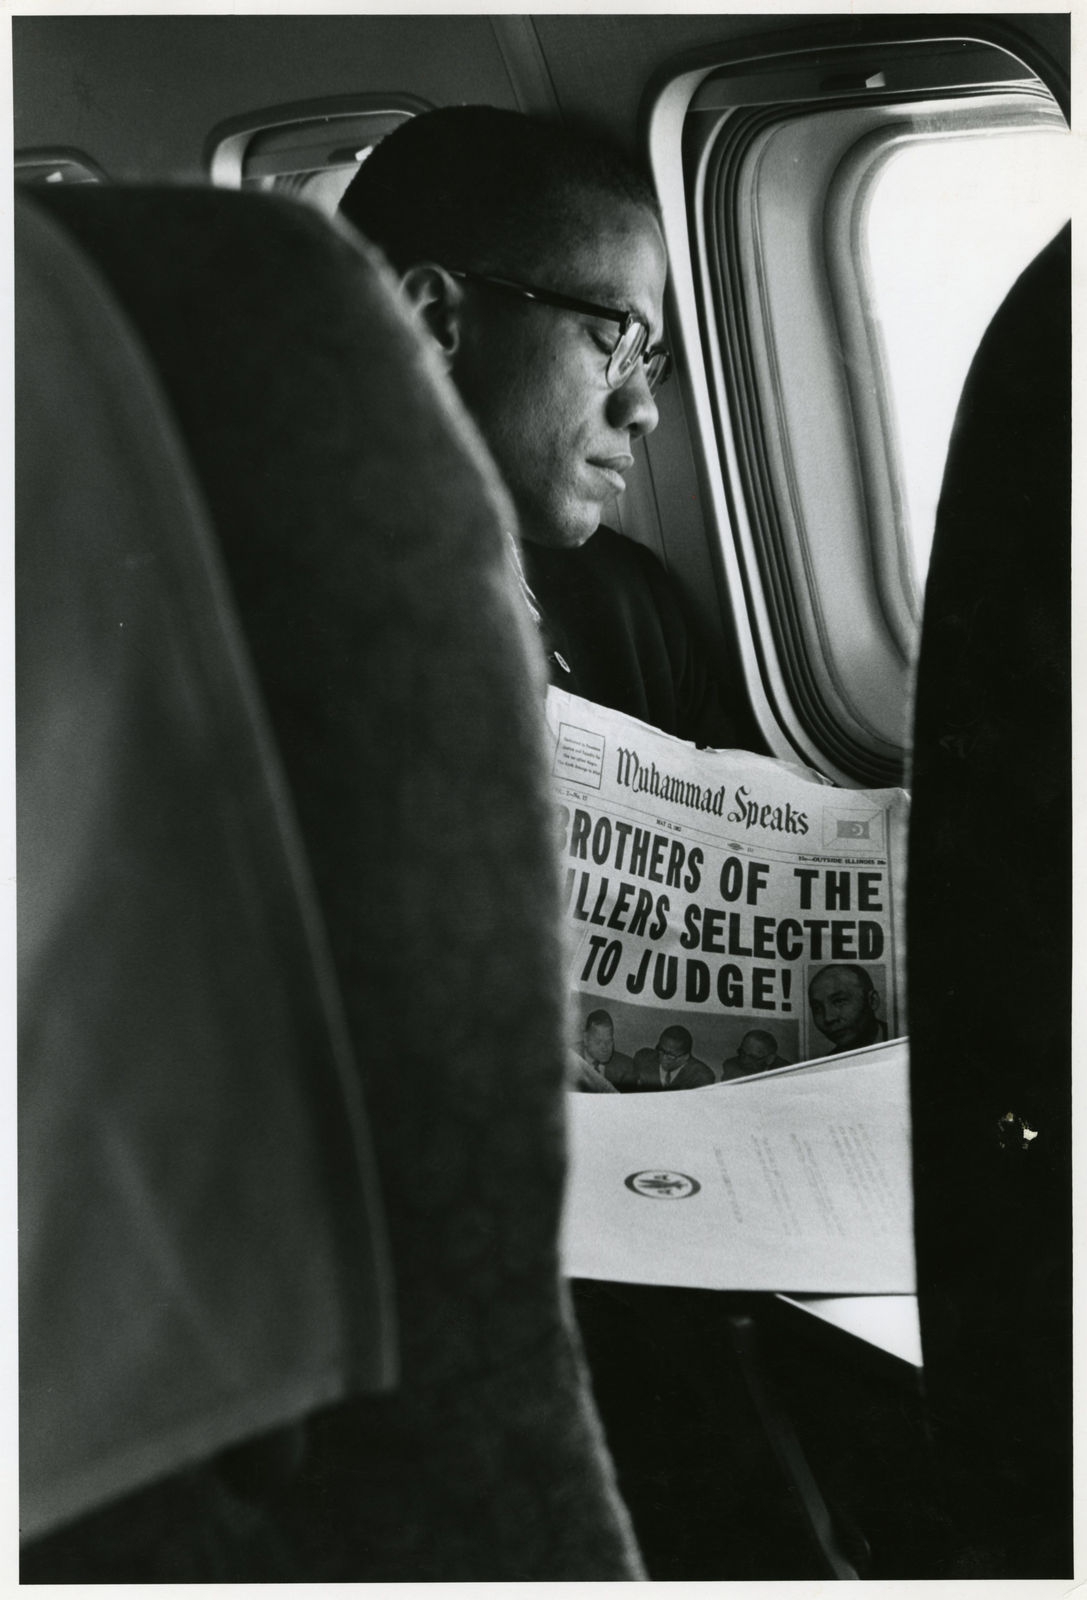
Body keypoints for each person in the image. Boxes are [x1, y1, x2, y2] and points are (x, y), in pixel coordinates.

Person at [338, 105, 749, 749]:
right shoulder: (240, 637)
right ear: (434, 321)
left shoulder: (631, 612)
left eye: (649, 358)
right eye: (616, 336)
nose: (645, 410)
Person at [807, 964, 887, 1054]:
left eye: (839, 1001)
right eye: (817, 1008)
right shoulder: (828, 1065)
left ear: (872, 1001)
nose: (828, 1018)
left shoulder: (900, 1037)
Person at [608, 1026, 713, 1091]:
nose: (663, 1057)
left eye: (670, 1055)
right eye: (661, 1050)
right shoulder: (643, 1059)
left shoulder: (701, 1076)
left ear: (685, 1057)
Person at [719, 1029, 791, 1080]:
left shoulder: (787, 1073)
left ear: (770, 1059)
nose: (744, 1061)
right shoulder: (731, 1067)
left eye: (752, 1057)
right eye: (742, 1053)